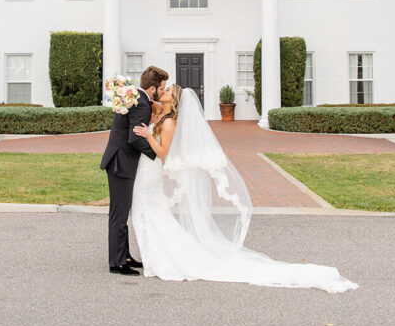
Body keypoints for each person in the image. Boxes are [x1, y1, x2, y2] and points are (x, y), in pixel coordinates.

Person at [130, 84, 358, 293]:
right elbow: (150, 103)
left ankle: (163, 257)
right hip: (147, 170)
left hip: (152, 170)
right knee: (151, 212)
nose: (164, 91)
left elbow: (165, 155)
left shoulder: (169, 122)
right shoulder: (165, 115)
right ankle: (157, 254)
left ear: (175, 99)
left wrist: (150, 137)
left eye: (168, 90)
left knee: (151, 212)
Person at [99, 65, 168, 276]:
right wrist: (155, 154)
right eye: (162, 87)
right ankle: (118, 262)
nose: (162, 91)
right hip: (121, 163)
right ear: (154, 88)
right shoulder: (141, 104)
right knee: (119, 214)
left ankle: (125, 255)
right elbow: (134, 138)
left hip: (118, 160)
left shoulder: (136, 97)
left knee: (121, 212)